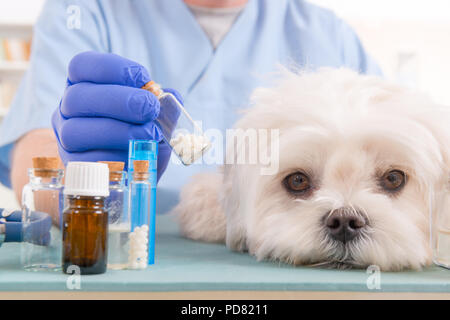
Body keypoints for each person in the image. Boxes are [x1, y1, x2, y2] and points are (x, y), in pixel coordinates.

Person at [0, 0, 381, 213]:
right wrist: (91, 187)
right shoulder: (85, 11)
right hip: (128, 253)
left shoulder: (329, 34)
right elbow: (35, 165)